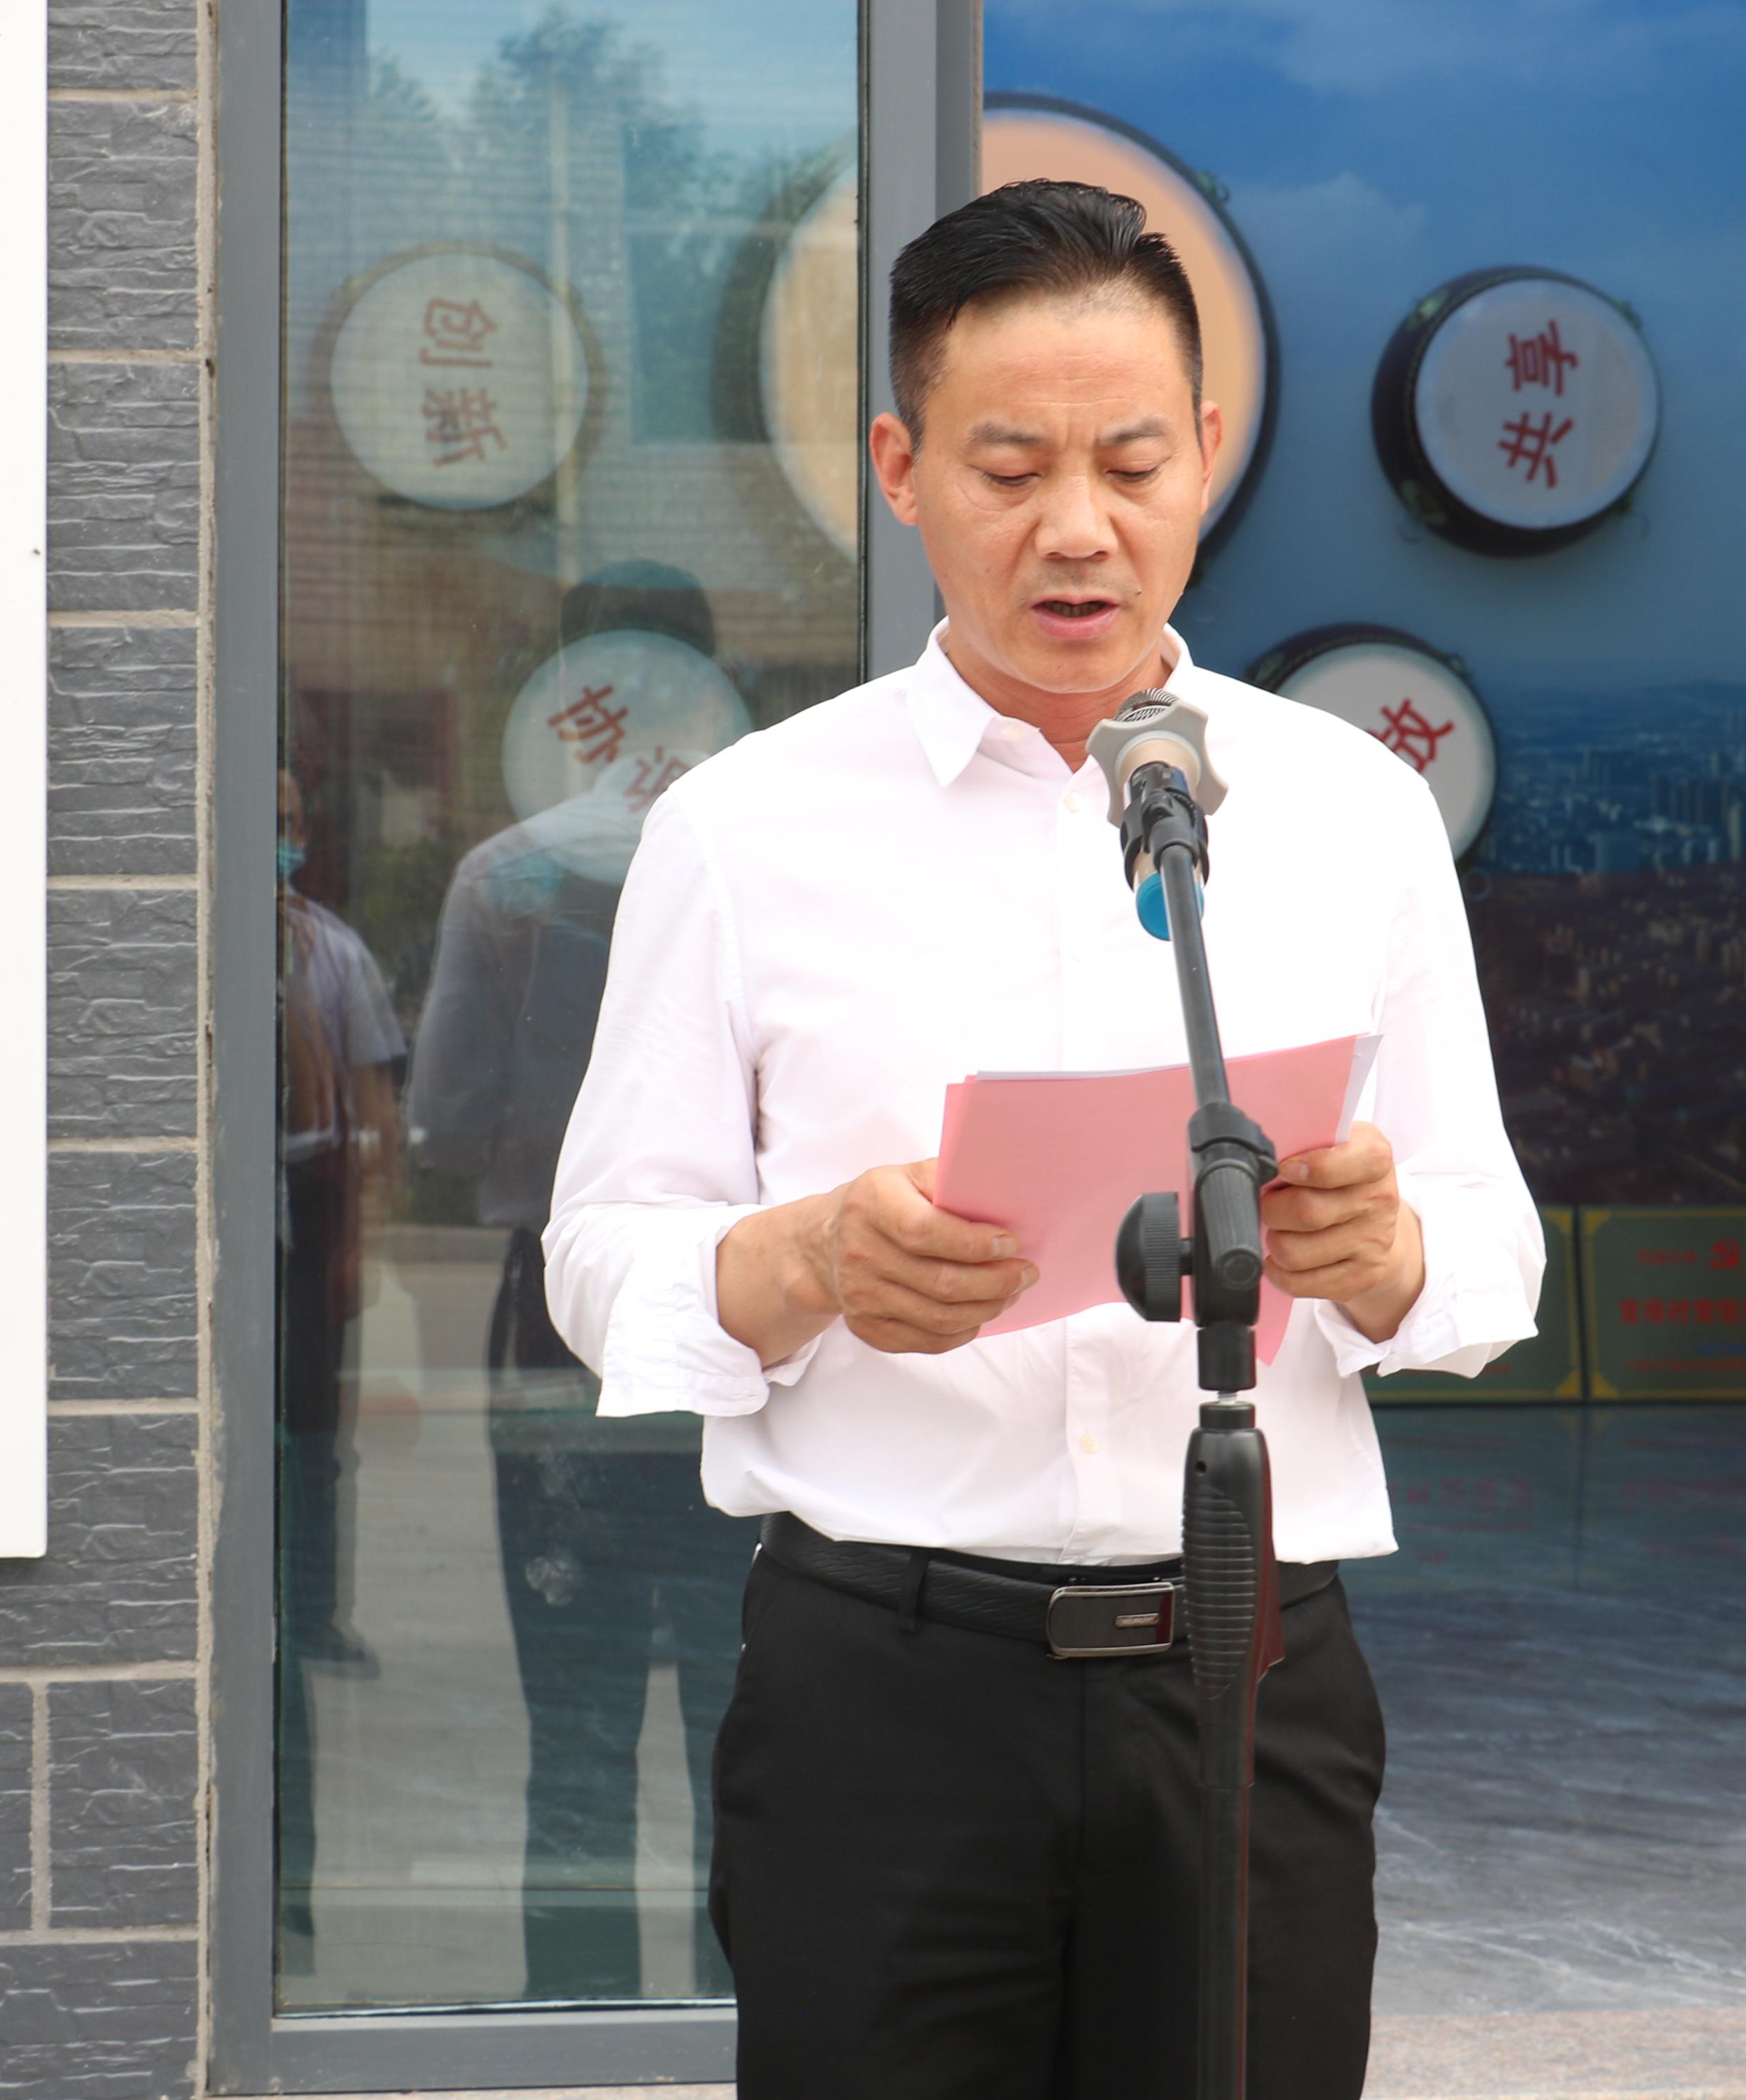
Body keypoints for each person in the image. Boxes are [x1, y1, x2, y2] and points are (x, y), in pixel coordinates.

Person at [544, 180, 1542, 2098]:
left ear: (1209, 456)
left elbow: (1487, 1240)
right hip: (887, 1691)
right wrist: (806, 1259)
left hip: (1246, 1681)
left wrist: (1387, 1252)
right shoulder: (747, 827)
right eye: (1009, 469)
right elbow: (602, 1255)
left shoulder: (1347, 811)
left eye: (1131, 463)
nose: (1077, 526)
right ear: (901, 470)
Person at [408, 563, 751, 2001]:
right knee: (745, 1715)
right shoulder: (768, 860)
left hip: (559, 1310)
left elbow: (441, 1121)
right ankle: (747, 2022)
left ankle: (582, 2015)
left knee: (578, 1714)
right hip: (752, 1302)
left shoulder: (509, 877)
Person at [273, 765, 405, 1951]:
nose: (280, 844)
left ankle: (318, 1603)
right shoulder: (230, 938)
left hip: (311, 1210)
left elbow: (367, 1109)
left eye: (291, 825)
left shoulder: (334, 953)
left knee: (320, 1435)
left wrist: (361, 1236)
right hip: (248, 1216)